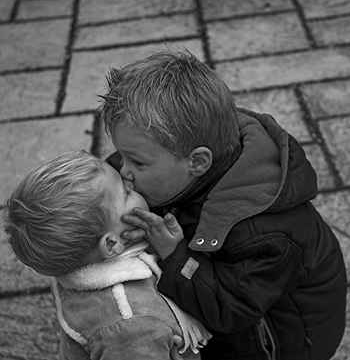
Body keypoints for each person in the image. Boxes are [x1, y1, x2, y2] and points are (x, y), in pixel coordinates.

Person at [99, 51, 347, 360]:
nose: (123, 171)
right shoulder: (196, 145)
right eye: (122, 156)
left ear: (198, 161)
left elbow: (230, 309)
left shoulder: (264, 234)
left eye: (136, 161)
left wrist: (176, 256)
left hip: (280, 340)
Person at [5, 151, 211, 360]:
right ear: (112, 244)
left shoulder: (78, 266)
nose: (131, 183)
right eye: (126, 194)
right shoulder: (132, 325)